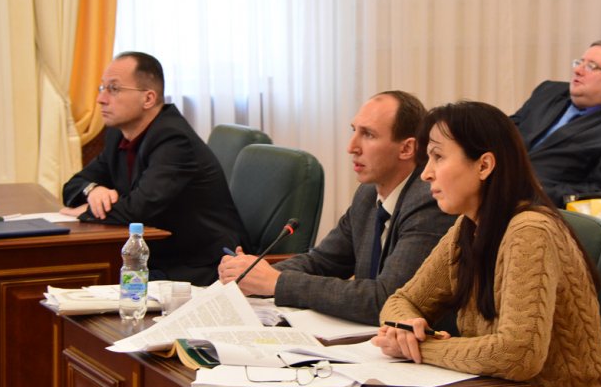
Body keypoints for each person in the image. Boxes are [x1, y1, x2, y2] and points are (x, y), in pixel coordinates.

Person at [372, 101, 601, 387]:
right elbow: (403, 300)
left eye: (438, 157)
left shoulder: (530, 231)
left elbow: (518, 355)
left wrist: (421, 348)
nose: (426, 174)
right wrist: (402, 328)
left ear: (484, 165)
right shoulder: (468, 227)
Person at [218, 91, 457, 325]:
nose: (352, 147)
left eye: (368, 135)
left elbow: (387, 298)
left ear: (406, 149)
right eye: (354, 131)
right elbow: (323, 262)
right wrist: (250, 273)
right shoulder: (367, 194)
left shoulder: (429, 201)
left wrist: (276, 282)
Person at [61, 51, 246, 286]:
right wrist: (93, 190)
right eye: (102, 88)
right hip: (154, 256)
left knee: (84, 278)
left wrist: (87, 210)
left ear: (148, 98)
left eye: (114, 89)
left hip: (199, 266)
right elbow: (72, 187)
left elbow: (138, 211)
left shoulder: (174, 140)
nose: (101, 99)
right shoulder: (118, 135)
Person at [511, 40, 601, 206]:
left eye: (591, 66)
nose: (577, 70)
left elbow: (600, 191)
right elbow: (507, 129)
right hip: (495, 180)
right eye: (579, 63)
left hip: (539, 205)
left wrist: (533, 191)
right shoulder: (548, 92)